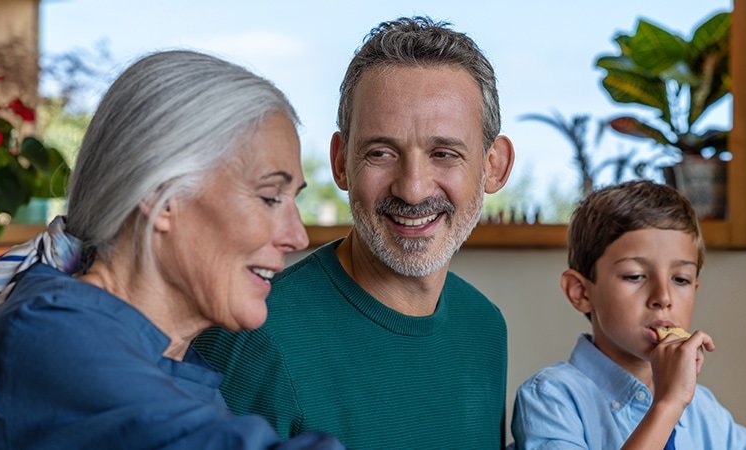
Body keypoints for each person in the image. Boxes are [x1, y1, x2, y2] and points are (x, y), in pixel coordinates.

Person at [0, 50, 342, 450]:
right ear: (161, 197)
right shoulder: (48, 335)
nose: (296, 237)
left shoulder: (171, 363)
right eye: (270, 198)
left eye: (294, 202)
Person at [193, 16, 516, 449]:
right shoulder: (255, 341)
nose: (413, 187)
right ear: (342, 162)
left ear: (494, 166)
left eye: (444, 153)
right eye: (381, 152)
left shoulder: (485, 328)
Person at [511, 181, 746, 450]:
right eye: (635, 276)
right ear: (581, 292)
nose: (663, 297)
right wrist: (668, 405)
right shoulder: (551, 398)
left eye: (680, 279)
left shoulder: (704, 410)